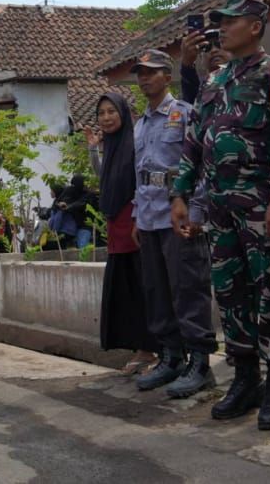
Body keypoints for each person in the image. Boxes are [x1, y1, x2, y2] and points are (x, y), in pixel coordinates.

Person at [170, 0, 270, 431]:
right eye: (219, 23)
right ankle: (246, 380)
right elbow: (193, 142)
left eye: (230, 22)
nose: (220, 29)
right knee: (229, 294)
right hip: (220, 209)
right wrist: (180, 194)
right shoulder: (214, 80)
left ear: (256, 27)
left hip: (265, 206)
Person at [127, 49, 216, 399]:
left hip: (179, 217)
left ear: (167, 76)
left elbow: (201, 167)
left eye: (151, 72)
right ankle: (171, 357)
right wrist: (136, 215)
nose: (144, 78)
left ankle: (200, 363)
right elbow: (141, 174)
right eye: (140, 73)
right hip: (149, 218)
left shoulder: (185, 114)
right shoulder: (141, 124)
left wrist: (197, 211)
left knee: (188, 288)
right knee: (158, 290)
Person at [88, 92, 158, 375]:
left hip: (134, 226)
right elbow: (104, 177)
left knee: (142, 287)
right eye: (101, 113)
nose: (106, 118)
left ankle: (152, 349)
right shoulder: (113, 146)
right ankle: (141, 349)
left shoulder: (133, 143)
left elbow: (141, 182)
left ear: (123, 113)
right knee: (127, 291)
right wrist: (93, 149)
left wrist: (138, 217)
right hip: (117, 227)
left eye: (111, 112)